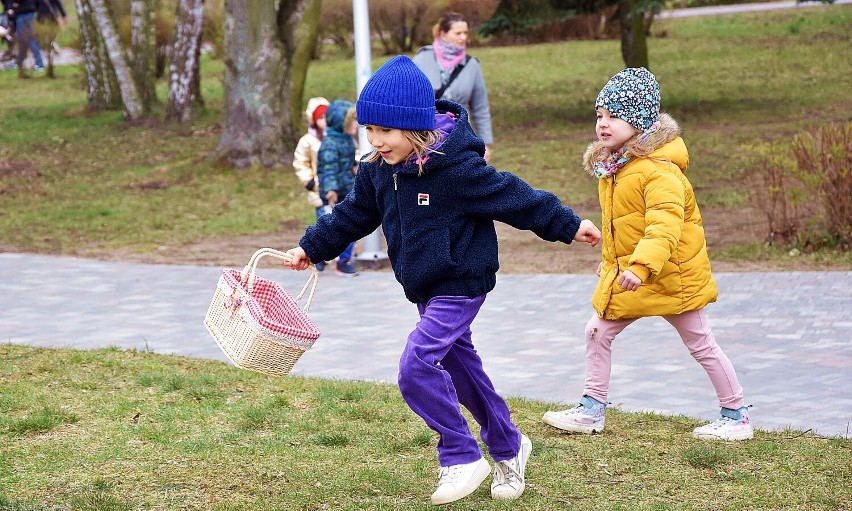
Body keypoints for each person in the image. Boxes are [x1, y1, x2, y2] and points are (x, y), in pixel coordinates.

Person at [283, 55, 602, 505]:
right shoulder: (378, 168)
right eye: (369, 129)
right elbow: (354, 214)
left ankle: (460, 455)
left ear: (413, 126)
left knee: (415, 367)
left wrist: (567, 225)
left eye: (385, 131)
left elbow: (516, 197)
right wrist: (311, 247)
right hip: (424, 286)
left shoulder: (456, 169)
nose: (376, 140)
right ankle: (511, 447)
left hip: (461, 280)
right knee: (462, 371)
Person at [542, 68, 753, 442]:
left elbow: (663, 226)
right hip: (634, 276)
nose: (603, 125)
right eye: (599, 115)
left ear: (639, 121)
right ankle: (592, 409)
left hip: (672, 276)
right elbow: (622, 228)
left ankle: (735, 415)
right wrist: (611, 264)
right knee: (597, 331)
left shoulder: (658, 172)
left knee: (701, 343)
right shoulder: (615, 168)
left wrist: (639, 266)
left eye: (615, 116)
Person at [413, 12, 494, 164]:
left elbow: (480, 108)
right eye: (458, 33)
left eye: (465, 33)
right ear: (443, 34)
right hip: (424, 138)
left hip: (460, 138)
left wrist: (486, 144)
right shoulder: (422, 58)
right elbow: (408, 98)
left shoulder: (472, 65)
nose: (463, 37)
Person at [316, 98, 359, 276]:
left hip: (347, 190)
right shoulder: (330, 144)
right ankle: (317, 253)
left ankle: (343, 260)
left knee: (351, 225)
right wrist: (330, 190)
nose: (356, 125)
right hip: (333, 193)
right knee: (327, 225)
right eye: (352, 122)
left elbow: (348, 163)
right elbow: (329, 168)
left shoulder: (348, 141)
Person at [293, 96, 329, 268]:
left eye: (327, 117)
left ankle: (339, 257)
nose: (325, 121)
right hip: (318, 188)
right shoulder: (307, 141)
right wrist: (309, 180)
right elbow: (300, 162)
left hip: (337, 187)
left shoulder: (335, 138)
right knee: (322, 220)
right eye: (321, 118)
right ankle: (318, 255)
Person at [6, 0, 44, 77]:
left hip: (24, 14)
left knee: (30, 40)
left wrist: (13, 6)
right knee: (23, 41)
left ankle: (40, 63)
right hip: (26, 13)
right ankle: (19, 62)